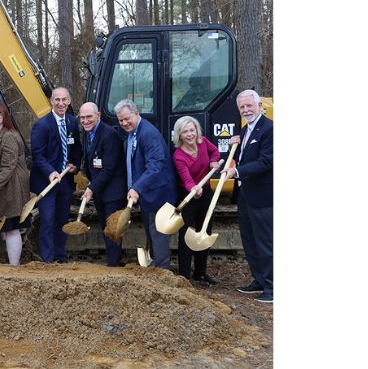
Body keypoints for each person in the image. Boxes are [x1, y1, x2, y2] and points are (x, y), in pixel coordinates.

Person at [222, 89, 273, 303]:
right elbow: (242, 155)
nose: (246, 110)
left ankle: (272, 287)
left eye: (249, 106)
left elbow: (266, 162)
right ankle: (259, 280)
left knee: (265, 242)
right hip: (245, 195)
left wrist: (237, 171)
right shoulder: (245, 131)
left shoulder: (269, 129)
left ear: (259, 105)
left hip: (262, 196)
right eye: (242, 107)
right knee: (249, 241)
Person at [114, 99, 176, 269]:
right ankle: (157, 265)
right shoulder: (135, 132)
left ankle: (163, 272)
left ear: (137, 113)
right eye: (121, 120)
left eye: (127, 118)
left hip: (158, 193)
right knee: (151, 232)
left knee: (158, 233)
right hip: (148, 193)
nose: (124, 123)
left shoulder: (148, 133)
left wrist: (136, 187)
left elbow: (156, 165)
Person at [30, 87, 81, 263]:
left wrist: (76, 165)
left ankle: (60, 256)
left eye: (64, 100)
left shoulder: (73, 122)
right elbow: (37, 154)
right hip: (47, 182)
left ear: (69, 101)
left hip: (65, 182)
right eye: (57, 100)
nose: (61, 103)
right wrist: (51, 172)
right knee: (48, 220)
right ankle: (48, 260)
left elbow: (77, 149)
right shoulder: (41, 125)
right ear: (51, 101)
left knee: (62, 219)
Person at [172, 116, 221, 284]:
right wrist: (193, 188)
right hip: (187, 195)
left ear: (196, 130)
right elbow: (186, 179)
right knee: (186, 234)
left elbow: (215, 152)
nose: (190, 134)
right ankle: (184, 276)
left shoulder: (203, 142)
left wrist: (213, 162)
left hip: (205, 191)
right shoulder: (178, 155)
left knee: (204, 231)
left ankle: (201, 273)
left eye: (192, 130)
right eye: (185, 131)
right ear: (179, 135)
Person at [78, 102, 127, 267]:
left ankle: (114, 266)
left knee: (113, 229)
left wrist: (92, 188)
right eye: (82, 118)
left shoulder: (109, 135)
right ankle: (113, 262)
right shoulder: (87, 133)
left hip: (113, 191)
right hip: (100, 190)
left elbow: (110, 168)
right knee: (104, 227)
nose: (85, 121)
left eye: (89, 117)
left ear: (98, 115)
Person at [0, 101, 30, 266]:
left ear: (5, 115)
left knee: (11, 228)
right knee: (9, 227)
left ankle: (14, 266)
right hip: (6, 186)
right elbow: (0, 157)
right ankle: (12, 263)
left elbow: (9, 166)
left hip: (12, 188)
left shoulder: (9, 136)